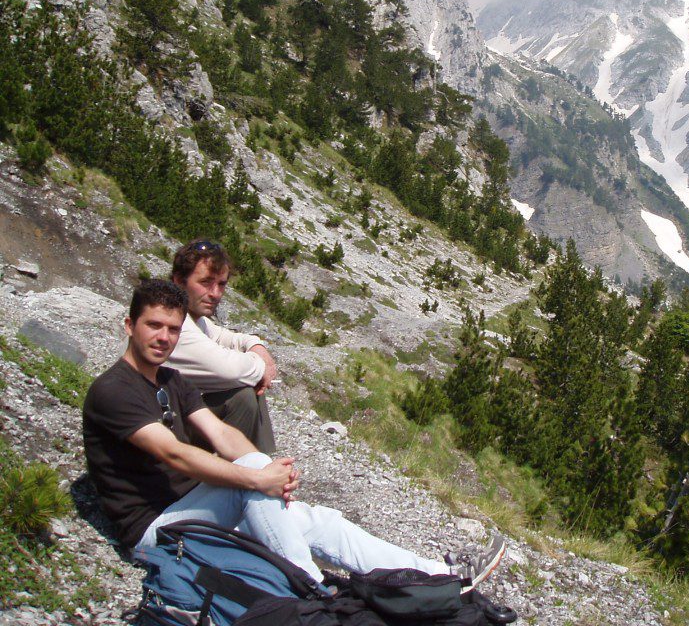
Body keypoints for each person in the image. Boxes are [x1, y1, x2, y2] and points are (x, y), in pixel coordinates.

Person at [82, 279, 505, 589]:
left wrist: (269, 471)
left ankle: (438, 576)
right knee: (251, 479)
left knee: (317, 520)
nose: (164, 338)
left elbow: (221, 434)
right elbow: (174, 454)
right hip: (155, 533)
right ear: (129, 326)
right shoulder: (113, 390)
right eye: (154, 326)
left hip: (196, 511)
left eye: (173, 329)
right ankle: (312, 595)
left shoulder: (171, 379)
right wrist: (256, 477)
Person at [166, 239, 276, 453]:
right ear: (180, 281)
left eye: (221, 284)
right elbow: (228, 370)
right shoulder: (172, 322)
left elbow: (227, 337)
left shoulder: (192, 316)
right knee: (242, 392)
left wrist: (256, 346)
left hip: (173, 416)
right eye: (206, 282)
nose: (215, 293)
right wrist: (263, 367)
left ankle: (255, 466)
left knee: (245, 388)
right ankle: (248, 471)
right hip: (158, 431)